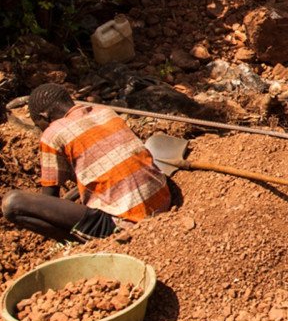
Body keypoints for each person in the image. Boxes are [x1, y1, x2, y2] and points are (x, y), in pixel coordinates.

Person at [2, 85, 172, 242]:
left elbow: (48, 200)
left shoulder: (52, 133)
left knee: (13, 203)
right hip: (163, 201)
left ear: (44, 117)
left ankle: (81, 246)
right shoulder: (105, 112)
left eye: (39, 125)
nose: (41, 130)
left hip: (125, 222)